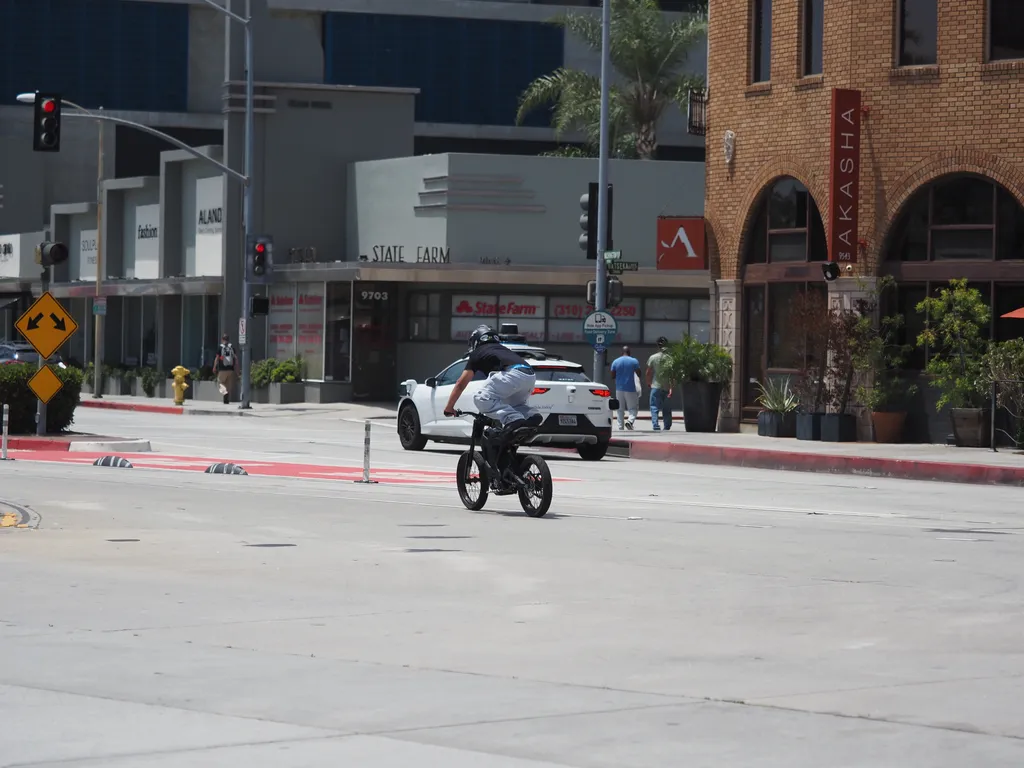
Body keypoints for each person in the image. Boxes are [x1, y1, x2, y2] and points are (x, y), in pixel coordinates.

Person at [443, 324, 543, 432]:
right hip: (529, 375)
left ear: (476, 341)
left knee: (481, 398)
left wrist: (449, 407)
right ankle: (531, 415)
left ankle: (513, 419)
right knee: (514, 404)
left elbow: (460, 383)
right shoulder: (503, 349)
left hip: (513, 374)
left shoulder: (477, 353)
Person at [646, 336, 674, 431]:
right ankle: (667, 426)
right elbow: (671, 374)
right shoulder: (670, 358)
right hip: (666, 386)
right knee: (666, 408)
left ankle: (655, 425)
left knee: (654, 406)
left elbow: (648, 372)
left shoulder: (653, 357)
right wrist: (671, 387)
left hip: (656, 385)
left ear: (657, 346)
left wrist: (649, 382)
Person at [610, 345, 640, 430]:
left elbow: (612, 375)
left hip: (619, 388)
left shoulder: (616, 361)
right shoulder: (634, 361)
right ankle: (630, 421)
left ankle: (620, 427)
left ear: (621, 352)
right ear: (629, 352)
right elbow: (639, 374)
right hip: (630, 388)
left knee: (620, 409)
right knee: (633, 408)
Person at [213, 333, 238, 405]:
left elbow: (217, 358)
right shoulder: (231, 347)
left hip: (222, 369)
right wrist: (237, 369)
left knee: (220, 382)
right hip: (231, 369)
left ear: (222, 339)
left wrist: (214, 367)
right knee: (228, 384)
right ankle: (226, 400)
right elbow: (236, 359)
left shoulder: (220, 348)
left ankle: (225, 393)